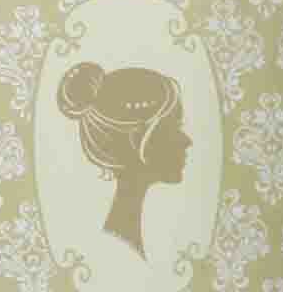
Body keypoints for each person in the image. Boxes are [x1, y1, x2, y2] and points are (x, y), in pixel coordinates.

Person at [56, 61, 190, 258]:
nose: (187, 141)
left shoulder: (123, 237)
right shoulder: (118, 247)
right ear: (137, 140)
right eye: (173, 129)